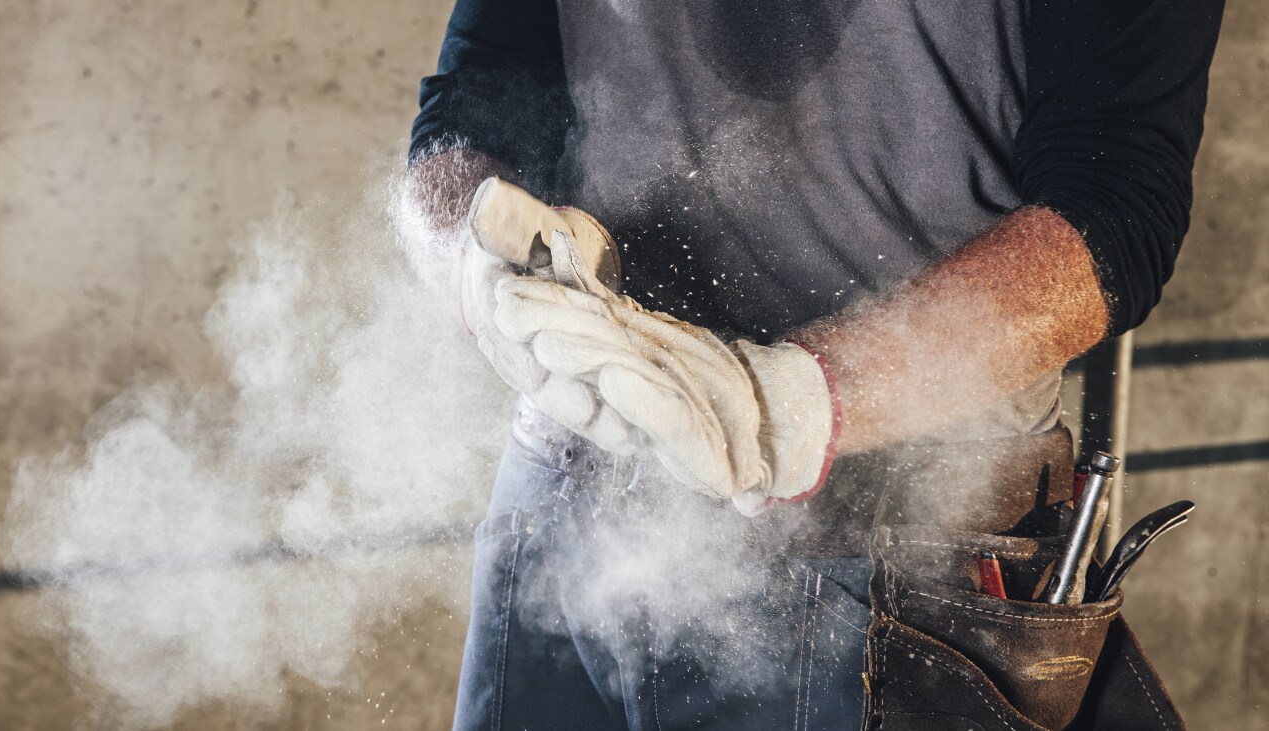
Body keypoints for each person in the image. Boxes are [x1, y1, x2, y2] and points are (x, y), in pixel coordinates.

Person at [407, 1, 1224, 729]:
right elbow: (472, 100)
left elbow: (1113, 212)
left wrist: (792, 405)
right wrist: (477, 267)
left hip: (896, 557)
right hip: (569, 496)